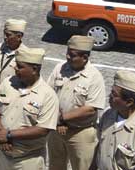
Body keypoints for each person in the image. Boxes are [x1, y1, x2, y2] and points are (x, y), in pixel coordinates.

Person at [0, 46, 59, 170]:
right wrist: (0, 132)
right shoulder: (7, 82)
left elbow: (43, 129)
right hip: (2, 156)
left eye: (20, 66)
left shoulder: (48, 95)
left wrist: (9, 135)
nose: (15, 68)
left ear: (34, 69)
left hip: (28, 160)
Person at [47, 35, 105, 170]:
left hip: (80, 133)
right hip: (56, 129)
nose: (67, 57)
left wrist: (63, 118)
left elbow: (90, 108)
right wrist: (58, 121)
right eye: (67, 53)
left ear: (84, 57)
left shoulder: (94, 77)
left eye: (72, 55)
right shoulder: (59, 68)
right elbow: (48, 95)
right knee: (55, 166)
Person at [92, 71, 135, 170]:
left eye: (114, 94)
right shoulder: (108, 114)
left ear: (129, 102)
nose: (109, 96)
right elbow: (99, 146)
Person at [0, 18, 28, 162]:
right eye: (5, 33)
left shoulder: (26, 54)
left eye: (9, 34)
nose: (5, 37)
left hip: (13, 102)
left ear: (19, 36)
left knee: (9, 131)